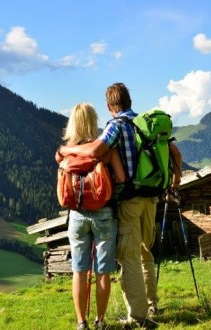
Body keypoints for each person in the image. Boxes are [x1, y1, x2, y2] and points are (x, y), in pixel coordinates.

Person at [58, 83, 182, 329]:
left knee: (129, 256)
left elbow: (95, 149)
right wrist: (175, 182)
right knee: (146, 251)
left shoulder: (116, 126)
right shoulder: (145, 124)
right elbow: (176, 154)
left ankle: (138, 316)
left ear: (109, 106)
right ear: (130, 101)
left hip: (130, 201)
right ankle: (151, 303)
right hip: (152, 197)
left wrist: (65, 149)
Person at [56, 103, 126, 330]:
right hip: (103, 214)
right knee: (103, 271)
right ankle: (100, 321)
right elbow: (122, 178)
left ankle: (81, 323)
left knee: (79, 269)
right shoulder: (104, 149)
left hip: (76, 214)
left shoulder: (65, 151)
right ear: (93, 121)